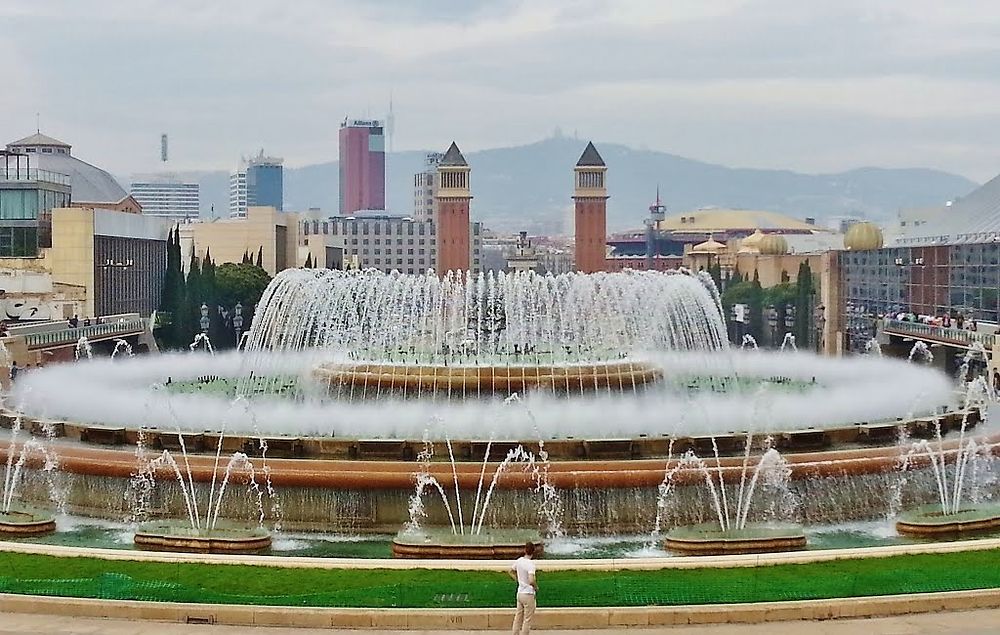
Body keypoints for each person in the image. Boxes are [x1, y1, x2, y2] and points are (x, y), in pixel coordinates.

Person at [508, 541, 538, 635]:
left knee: (518, 617)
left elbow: (510, 571)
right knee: (527, 620)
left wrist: (518, 580)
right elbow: (531, 580)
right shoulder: (531, 565)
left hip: (520, 593)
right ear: (533, 552)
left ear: (525, 550)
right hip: (528, 594)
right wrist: (536, 587)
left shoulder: (519, 561)